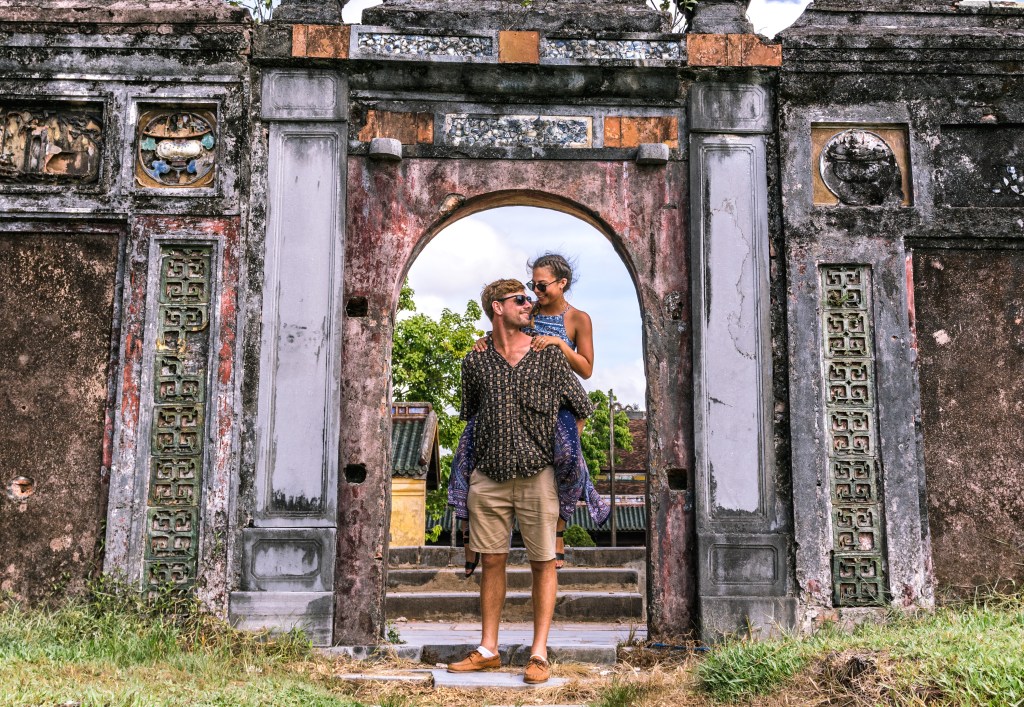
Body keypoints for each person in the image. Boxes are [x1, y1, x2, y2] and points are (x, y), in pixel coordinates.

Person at [446, 278, 594, 684]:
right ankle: (488, 649)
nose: (530, 303)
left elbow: (581, 408)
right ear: (497, 307)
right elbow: (471, 416)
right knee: (492, 561)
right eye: (520, 299)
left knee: (543, 562)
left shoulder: (548, 357)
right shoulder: (474, 362)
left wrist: (566, 458)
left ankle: (538, 654)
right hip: (488, 478)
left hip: (538, 475)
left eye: (530, 298)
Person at [464, 253, 597, 571]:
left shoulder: (578, 319)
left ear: (561, 283)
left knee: (569, 461)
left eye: (542, 285)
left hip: (563, 400)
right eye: (532, 285)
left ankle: (559, 529)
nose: (535, 291)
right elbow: (507, 334)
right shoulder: (529, 311)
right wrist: (484, 342)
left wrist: (560, 345)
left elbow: (587, 369)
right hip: (527, 399)